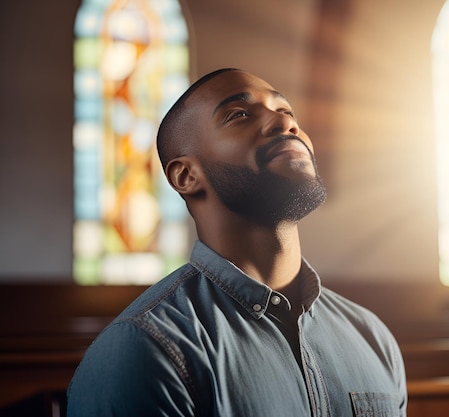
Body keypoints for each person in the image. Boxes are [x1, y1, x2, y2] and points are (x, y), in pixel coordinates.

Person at [66, 68, 407, 416]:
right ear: (187, 176)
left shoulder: (372, 337)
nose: (285, 124)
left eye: (286, 112)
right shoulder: (145, 349)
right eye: (239, 115)